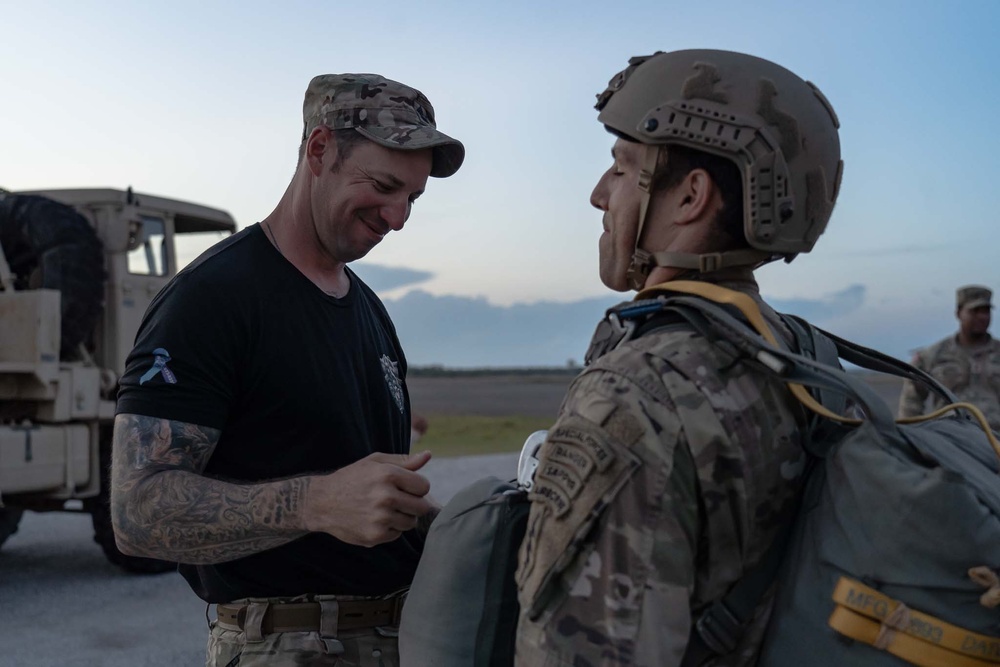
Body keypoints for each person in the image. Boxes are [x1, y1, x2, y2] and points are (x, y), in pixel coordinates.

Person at [110, 73, 464, 666]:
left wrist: (444, 524)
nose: (398, 217)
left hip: (396, 638)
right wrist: (316, 503)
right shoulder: (213, 297)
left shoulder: (371, 311)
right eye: (383, 185)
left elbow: (356, 499)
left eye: (413, 198)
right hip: (287, 646)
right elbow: (136, 513)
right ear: (320, 149)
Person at [514, 49, 843, 666]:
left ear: (690, 197)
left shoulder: (638, 391)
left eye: (620, 166)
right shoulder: (802, 357)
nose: (598, 194)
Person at [898, 285, 1000, 430]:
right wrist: (911, 438)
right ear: (958, 313)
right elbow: (911, 402)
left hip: (995, 441)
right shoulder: (933, 356)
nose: (982, 317)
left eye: (986, 311)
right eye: (975, 311)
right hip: (949, 441)